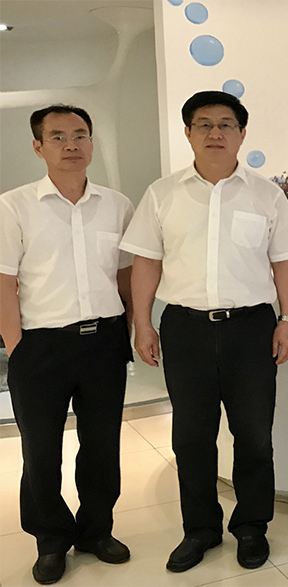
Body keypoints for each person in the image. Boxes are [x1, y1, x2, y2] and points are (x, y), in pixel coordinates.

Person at [119, 91, 288, 573]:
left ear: (242, 134)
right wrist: (143, 323)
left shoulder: (266, 194)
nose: (215, 133)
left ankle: (252, 527)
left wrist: (287, 320)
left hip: (251, 329)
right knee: (191, 437)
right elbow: (146, 262)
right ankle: (200, 529)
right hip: (185, 328)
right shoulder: (163, 193)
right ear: (188, 133)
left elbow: (284, 261)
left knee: (254, 435)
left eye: (226, 124)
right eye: (204, 124)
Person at [0, 105, 134, 585]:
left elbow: (124, 275)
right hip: (40, 347)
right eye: (57, 136)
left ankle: (97, 530)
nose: (71, 144)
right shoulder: (13, 206)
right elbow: (3, 282)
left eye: (80, 134)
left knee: (102, 445)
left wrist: (130, 330)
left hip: (104, 342)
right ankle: (51, 539)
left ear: (92, 142)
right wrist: (16, 347)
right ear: (38, 146)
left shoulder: (117, 205)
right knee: (41, 450)